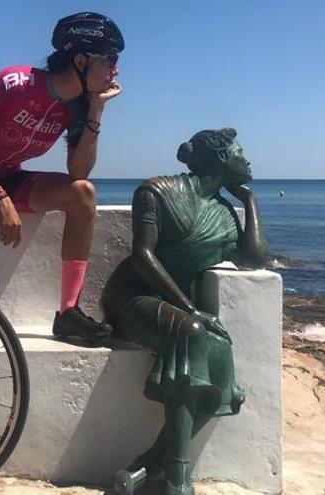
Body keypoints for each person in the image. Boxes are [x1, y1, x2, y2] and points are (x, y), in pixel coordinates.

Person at [0, 12, 125, 350]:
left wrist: (95, 111)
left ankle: (68, 313)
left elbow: (79, 173)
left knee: (83, 195)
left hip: (6, 177)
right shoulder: (14, 83)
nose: (116, 70)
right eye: (110, 59)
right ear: (80, 60)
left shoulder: (76, 107)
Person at [101, 128, 267, 495]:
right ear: (223, 158)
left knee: (221, 362)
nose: (248, 159)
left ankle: (147, 466)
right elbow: (142, 256)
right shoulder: (156, 192)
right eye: (242, 151)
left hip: (173, 305)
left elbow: (255, 258)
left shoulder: (224, 213)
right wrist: (191, 307)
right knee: (192, 331)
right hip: (130, 297)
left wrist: (250, 200)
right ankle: (177, 476)